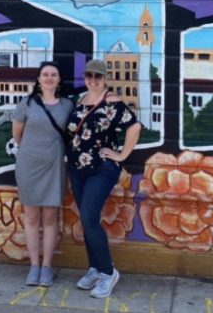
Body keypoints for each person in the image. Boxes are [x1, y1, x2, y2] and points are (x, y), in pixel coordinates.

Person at [65, 59, 141, 298]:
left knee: (88, 217)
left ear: (105, 78)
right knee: (87, 219)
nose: (93, 80)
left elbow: (135, 127)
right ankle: (95, 268)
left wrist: (122, 154)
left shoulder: (111, 102)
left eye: (98, 76)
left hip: (101, 169)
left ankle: (108, 272)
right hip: (78, 169)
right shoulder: (81, 101)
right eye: (89, 76)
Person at [11, 61, 75, 287]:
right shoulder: (26, 103)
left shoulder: (67, 105)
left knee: (49, 219)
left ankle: (46, 266)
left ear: (59, 80)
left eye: (53, 74)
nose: (49, 78)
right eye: (45, 74)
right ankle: (34, 266)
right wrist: (32, 152)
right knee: (31, 218)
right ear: (38, 79)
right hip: (29, 166)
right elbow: (17, 134)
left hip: (54, 166)